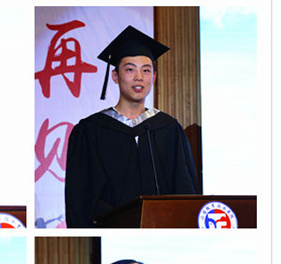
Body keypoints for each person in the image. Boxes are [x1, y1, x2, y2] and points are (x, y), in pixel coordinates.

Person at [65, 26, 199, 228]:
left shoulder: (168, 129)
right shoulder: (90, 131)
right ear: (115, 76)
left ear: (154, 77)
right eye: (130, 69)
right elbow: (80, 201)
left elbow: (185, 192)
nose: (139, 77)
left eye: (146, 70)